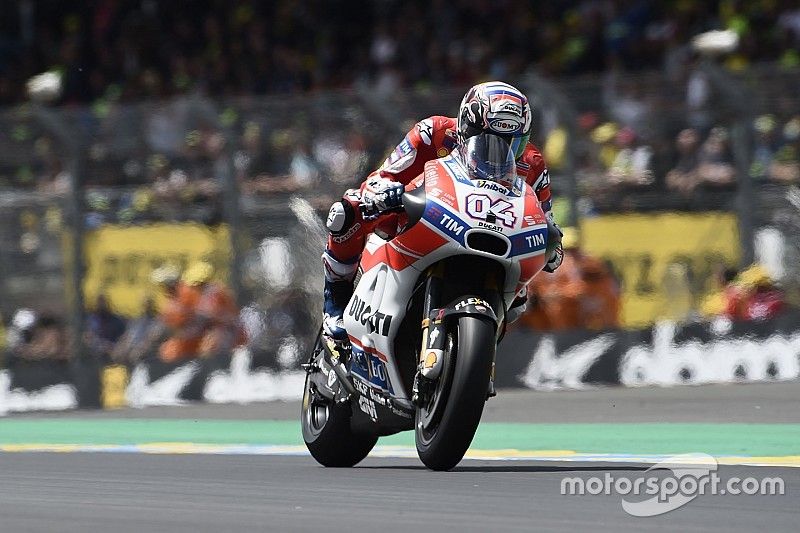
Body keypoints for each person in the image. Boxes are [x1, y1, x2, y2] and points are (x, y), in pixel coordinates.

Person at [321, 81, 563, 341]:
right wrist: (385, 192)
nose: (502, 151)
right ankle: (335, 295)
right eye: (489, 140)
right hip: (422, 219)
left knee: (519, 301)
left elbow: (544, 218)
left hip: (492, 237)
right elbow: (382, 177)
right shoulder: (432, 132)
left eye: (512, 142)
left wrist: (552, 245)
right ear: (467, 127)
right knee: (350, 209)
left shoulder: (532, 163)